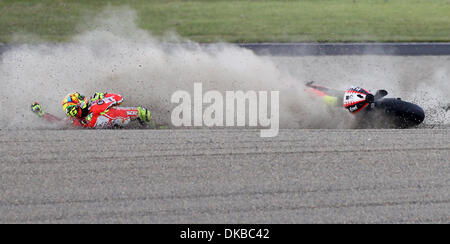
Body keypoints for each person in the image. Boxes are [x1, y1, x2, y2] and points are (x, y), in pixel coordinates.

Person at [31, 92, 153, 128]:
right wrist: (41, 114)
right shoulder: (74, 121)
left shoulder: (96, 104)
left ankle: (152, 125)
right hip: (112, 134)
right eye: (67, 109)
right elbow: (58, 122)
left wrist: (104, 95)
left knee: (144, 113)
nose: (69, 112)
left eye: (70, 108)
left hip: (125, 117)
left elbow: (119, 98)